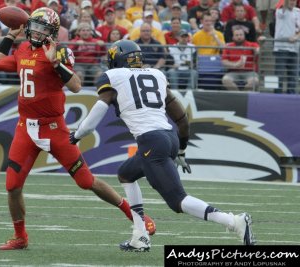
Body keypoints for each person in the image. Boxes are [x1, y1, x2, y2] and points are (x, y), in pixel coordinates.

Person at [0, 7, 155, 250]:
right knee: (12, 186)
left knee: (86, 181)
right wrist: (10, 35)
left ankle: (136, 216)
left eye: (43, 29)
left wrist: (55, 63)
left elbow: (76, 86)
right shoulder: (22, 48)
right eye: (34, 26)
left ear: (53, 33)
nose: (37, 32)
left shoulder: (61, 52)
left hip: (53, 128)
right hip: (25, 128)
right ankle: (20, 237)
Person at [69, 39, 256, 251]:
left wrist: (77, 135)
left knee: (178, 201)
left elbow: (96, 113)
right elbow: (182, 119)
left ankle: (233, 222)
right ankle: (139, 236)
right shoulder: (156, 74)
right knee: (126, 174)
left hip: (152, 141)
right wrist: (182, 151)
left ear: (116, 60)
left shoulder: (113, 77)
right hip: (169, 137)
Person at [273, 0, 300, 94]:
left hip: (295, 49)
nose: (292, 2)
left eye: (294, 0)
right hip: (281, 48)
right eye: (290, 0)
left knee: (293, 75)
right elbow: (282, 7)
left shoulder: (298, 11)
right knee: (279, 75)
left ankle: (291, 96)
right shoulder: (280, 11)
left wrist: (296, 37)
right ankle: (277, 95)